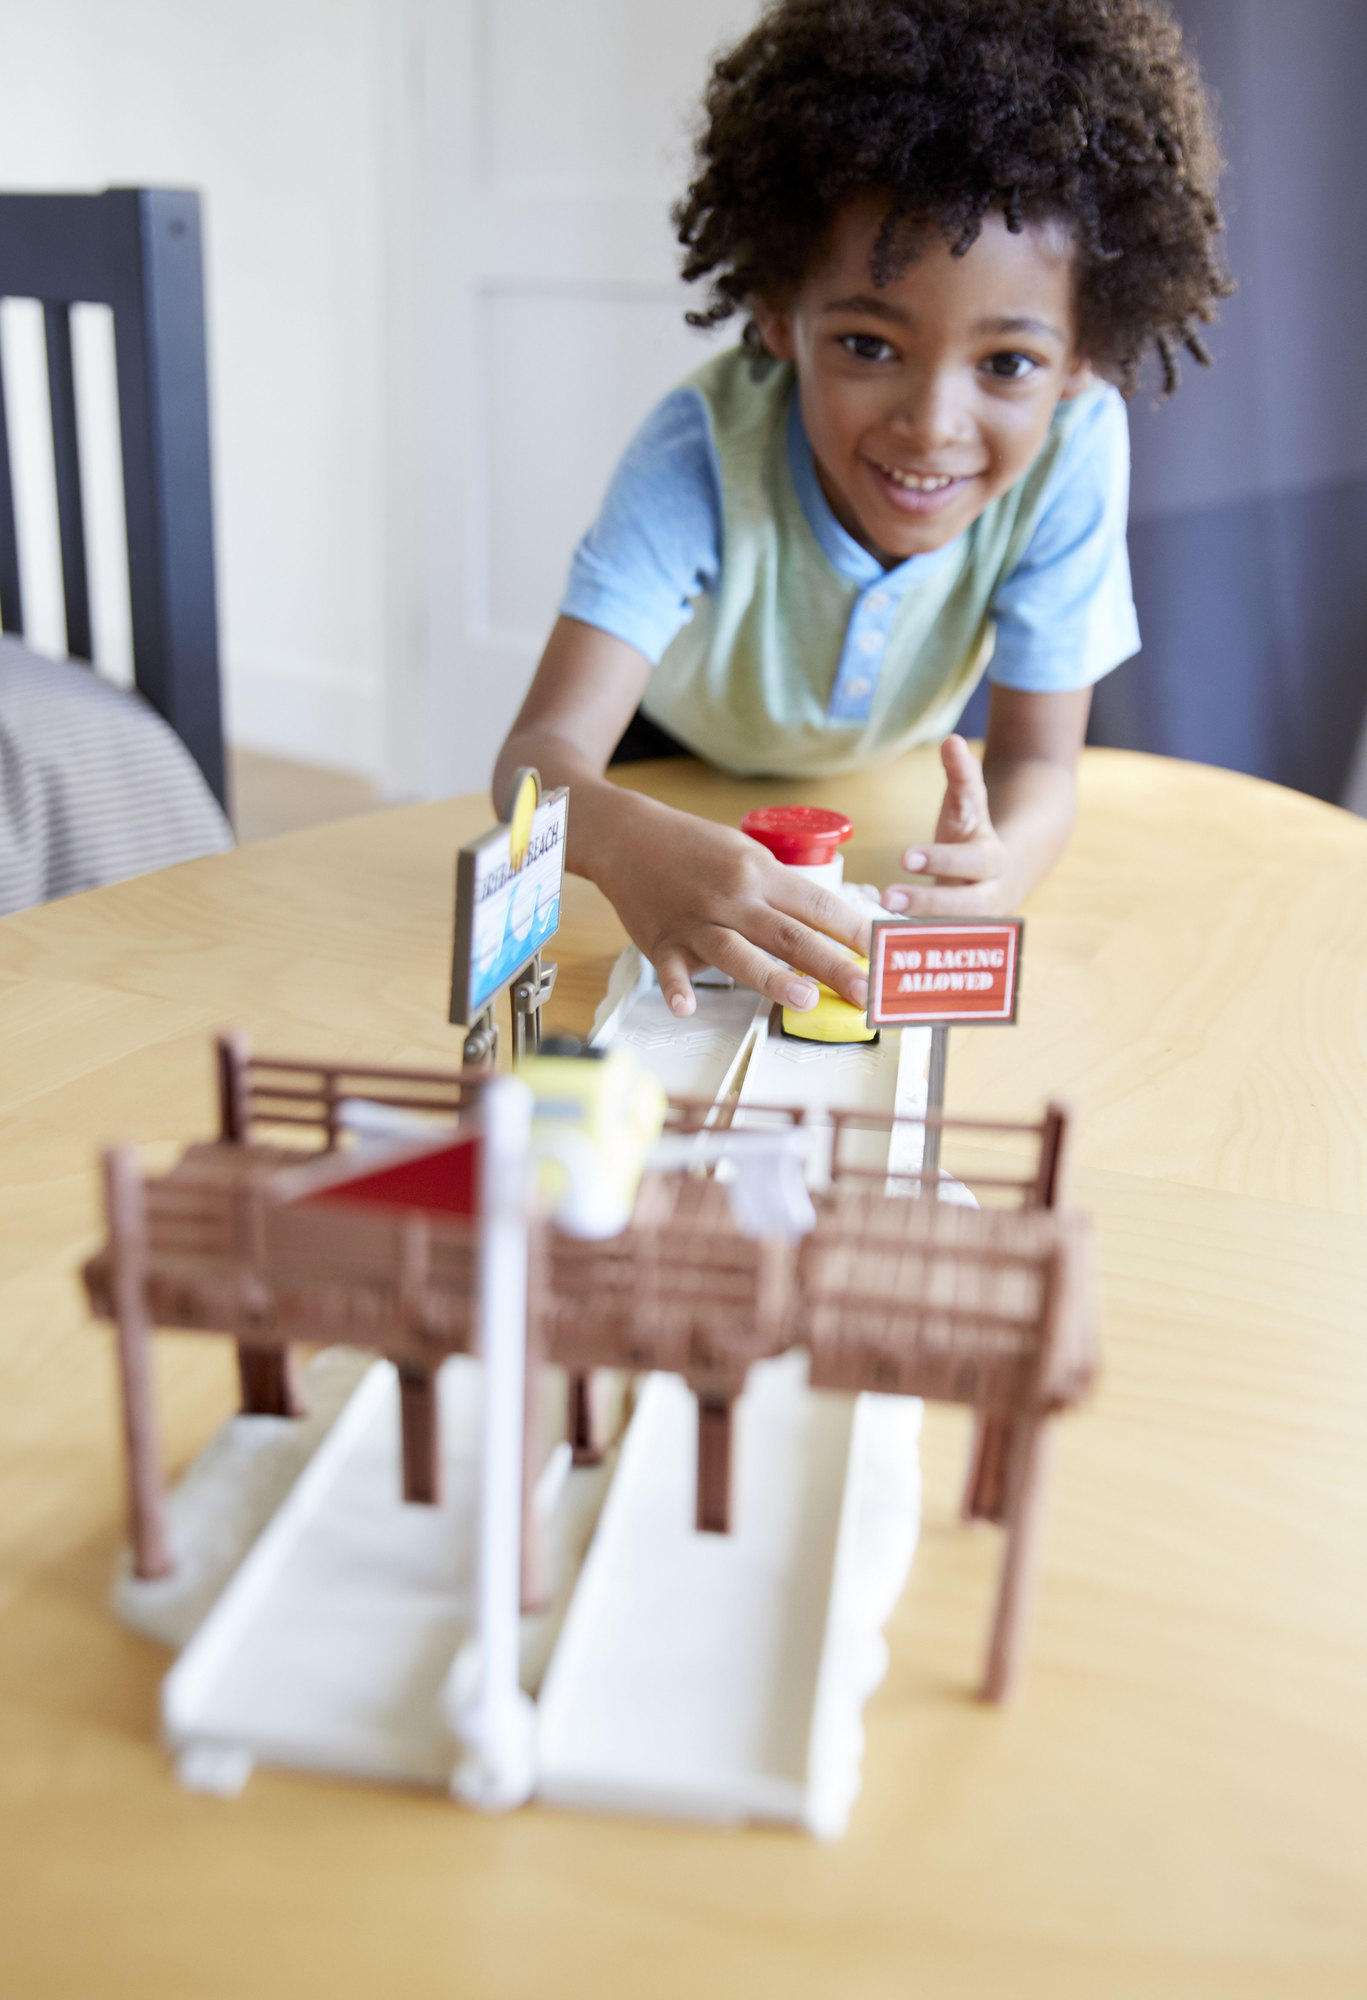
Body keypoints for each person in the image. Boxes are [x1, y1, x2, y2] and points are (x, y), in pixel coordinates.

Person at [494, 0, 1231, 1021]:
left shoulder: (1075, 448)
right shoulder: (698, 454)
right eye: (868, 346)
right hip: (666, 775)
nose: (931, 424)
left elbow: (1036, 763)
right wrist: (624, 842)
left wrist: (1002, 868)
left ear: (1079, 361)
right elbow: (535, 762)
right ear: (776, 310)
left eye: (1007, 363)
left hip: (875, 788)